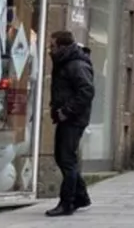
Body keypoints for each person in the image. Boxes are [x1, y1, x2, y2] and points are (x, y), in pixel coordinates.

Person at [46, 30, 95, 217]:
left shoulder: (76, 64)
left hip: (73, 119)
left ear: (62, 46)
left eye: (53, 45)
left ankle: (67, 203)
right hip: (67, 117)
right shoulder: (65, 62)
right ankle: (81, 196)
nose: (50, 49)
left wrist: (67, 111)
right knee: (63, 157)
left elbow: (87, 91)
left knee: (67, 159)